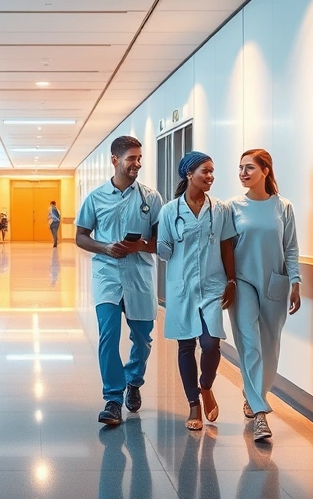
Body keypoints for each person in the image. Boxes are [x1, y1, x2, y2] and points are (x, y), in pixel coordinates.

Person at [76, 135, 164, 426]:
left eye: (139, 158)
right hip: (107, 276)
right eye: (131, 159)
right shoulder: (95, 197)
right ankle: (113, 399)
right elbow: (81, 237)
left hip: (139, 276)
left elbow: (160, 243)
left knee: (143, 338)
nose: (137, 164)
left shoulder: (151, 198)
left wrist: (138, 245)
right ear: (115, 160)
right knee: (108, 336)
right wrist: (105, 248)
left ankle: (134, 380)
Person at [156, 151, 237, 431]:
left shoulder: (220, 209)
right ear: (189, 174)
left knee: (211, 342)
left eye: (213, 172)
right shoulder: (169, 211)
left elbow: (227, 245)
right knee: (186, 345)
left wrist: (232, 280)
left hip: (213, 286)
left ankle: (206, 386)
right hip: (182, 287)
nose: (211, 177)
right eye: (206, 171)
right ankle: (193, 403)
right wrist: (153, 241)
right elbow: (165, 250)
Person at [227, 148, 301, 441]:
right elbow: (225, 247)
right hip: (242, 282)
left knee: (270, 347)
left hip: (275, 282)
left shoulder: (283, 207)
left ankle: (253, 392)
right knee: (250, 344)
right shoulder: (232, 206)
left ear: (265, 171)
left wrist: (295, 281)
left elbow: (291, 247)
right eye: (241, 168)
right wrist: (226, 281)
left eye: (249, 168)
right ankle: (260, 413)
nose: (243, 173)